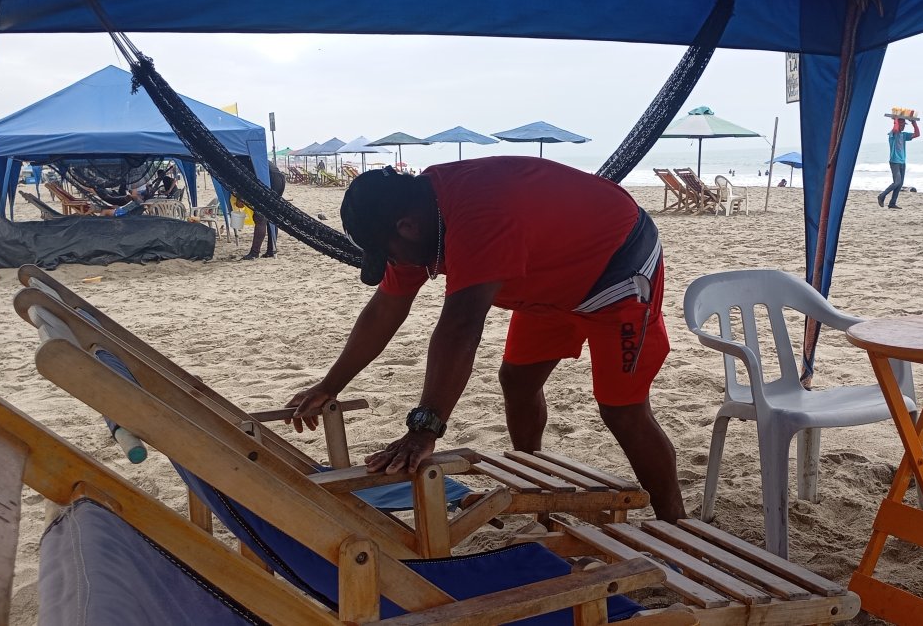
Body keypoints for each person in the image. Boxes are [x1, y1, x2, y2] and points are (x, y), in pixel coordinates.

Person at [286, 157, 685, 521]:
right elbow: (384, 310)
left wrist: (424, 428)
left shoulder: (477, 212)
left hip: (615, 273)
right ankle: (534, 484)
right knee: (517, 379)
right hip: (545, 279)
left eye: (388, 255)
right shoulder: (416, 219)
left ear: (406, 228)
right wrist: (330, 385)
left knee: (622, 410)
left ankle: (675, 521)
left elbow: (461, 326)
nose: (394, 264)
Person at [878, 117, 919, 210]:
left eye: (904, 125)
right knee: (897, 182)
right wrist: (896, 120)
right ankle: (882, 195)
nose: (904, 126)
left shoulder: (903, 135)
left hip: (902, 162)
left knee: (900, 184)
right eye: (902, 125)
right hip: (894, 161)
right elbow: (895, 129)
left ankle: (892, 203)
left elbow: (917, 134)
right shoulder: (892, 134)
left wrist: (914, 123)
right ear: (898, 124)